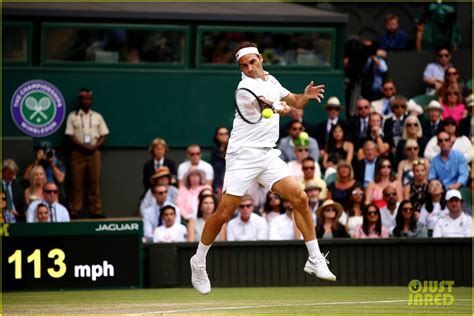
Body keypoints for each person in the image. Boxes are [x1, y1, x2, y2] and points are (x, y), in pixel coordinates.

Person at [190, 41, 335, 296]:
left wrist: (306, 97)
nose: (247, 68)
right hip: (242, 157)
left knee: (300, 198)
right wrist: (281, 107)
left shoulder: (272, 80)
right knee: (224, 212)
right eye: (242, 65)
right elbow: (269, 105)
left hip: (268, 155)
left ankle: (314, 259)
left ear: (260, 58)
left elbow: (295, 102)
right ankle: (198, 261)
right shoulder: (244, 87)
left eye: (251, 62)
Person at [65, 88, 109, 219]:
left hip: (94, 153)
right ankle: (75, 210)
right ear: (80, 100)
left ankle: (95, 211)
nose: (86, 101)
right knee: (76, 183)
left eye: (89, 99)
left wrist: (95, 146)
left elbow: (104, 134)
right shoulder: (73, 116)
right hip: (78, 152)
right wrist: (83, 146)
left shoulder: (97, 116)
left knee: (94, 183)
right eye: (84, 99)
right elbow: (70, 135)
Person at [210, 126, 229, 194]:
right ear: (216, 136)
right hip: (218, 185)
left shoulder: (233, 151)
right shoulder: (214, 152)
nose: (224, 136)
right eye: (221, 134)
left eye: (226, 133)